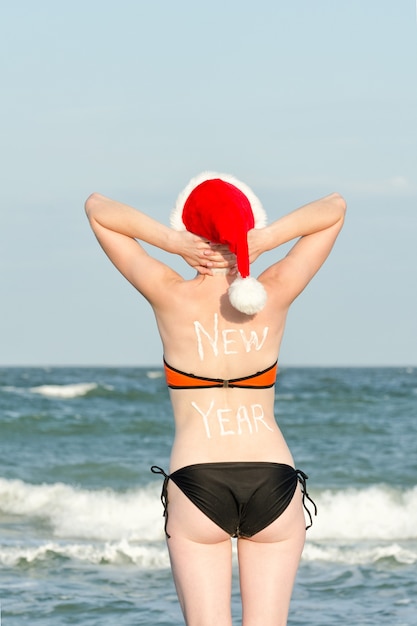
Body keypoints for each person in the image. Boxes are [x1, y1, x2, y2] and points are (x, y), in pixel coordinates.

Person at [85, 172, 346, 626]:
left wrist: (171, 242)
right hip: (274, 479)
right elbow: (335, 207)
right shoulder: (276, 290)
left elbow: (97, 207)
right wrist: (263, 240)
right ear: (249, 225)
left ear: (190, 229)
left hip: (196, 478)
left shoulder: (169, 294)